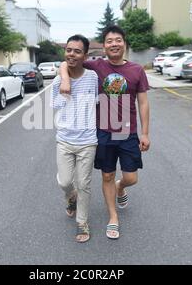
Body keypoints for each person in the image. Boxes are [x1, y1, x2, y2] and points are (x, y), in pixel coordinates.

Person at [59, 25, 151, 240]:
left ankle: (121, 188)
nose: (114, 44)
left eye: (118, 40)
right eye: (109, 41)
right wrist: (64, 77)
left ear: (124, 43)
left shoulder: (137, 70)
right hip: (102, 132)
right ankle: (113, 217)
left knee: (131, 177)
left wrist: (145, 133)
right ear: (104, 45)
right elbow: (68, 61)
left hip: (127, 132)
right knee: (107, 174)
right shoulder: (97, 66)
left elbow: (144, 103)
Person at [51, 34, 99, 243]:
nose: (72, 54)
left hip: (88, 140)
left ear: (85, 55)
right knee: (65, 182)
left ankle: (82, 222)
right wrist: (64, 82)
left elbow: (96, 102)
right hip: (64, 139)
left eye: (77, 51)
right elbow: (56, 107)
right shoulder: (56, 81)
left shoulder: (93, 77)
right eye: (69, 50)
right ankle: (71, 197)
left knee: (84, 184)